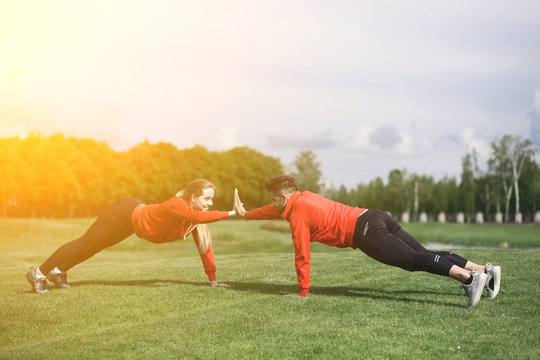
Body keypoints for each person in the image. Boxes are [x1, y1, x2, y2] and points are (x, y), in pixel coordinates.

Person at [234, 175, 501, 309]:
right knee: (422, 252)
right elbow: (276, 210)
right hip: (373, 215)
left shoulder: (298, 214)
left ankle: (468, 279)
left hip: (364, 232)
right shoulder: (302, 198)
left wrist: (303, 290)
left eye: (273, 198)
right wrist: (246, 214)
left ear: (282, 196)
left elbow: (302, 254)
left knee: (410, 260)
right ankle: (483, 271)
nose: (271, 203)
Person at [27, 179, 237, 293]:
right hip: (125, 211)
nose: (210, 204)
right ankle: (38, 273)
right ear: (193, 197)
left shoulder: (194, 222)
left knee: (94, 247)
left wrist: (213, 281)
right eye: (207, 199)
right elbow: (195, 215)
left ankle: (58, 272)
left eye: (212, 200)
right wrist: (231, 212)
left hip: (133, 223)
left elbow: (205, 249)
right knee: (86, 242)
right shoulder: (178, 205)